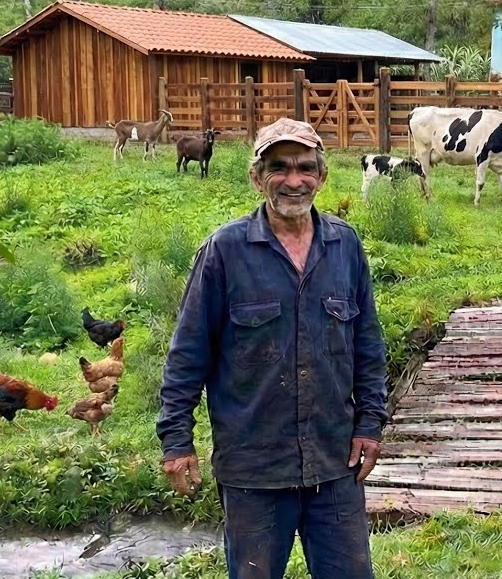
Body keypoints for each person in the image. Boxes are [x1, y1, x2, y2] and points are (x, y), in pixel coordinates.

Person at [157, 117, 388, 579]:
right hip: (254, 468)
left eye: (305, 168)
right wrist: (176, 442)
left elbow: (367, 346)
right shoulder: (225, 251)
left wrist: (370, 424)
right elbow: (187, 355)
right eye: (278, 167)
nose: (293, 180)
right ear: (256, 176)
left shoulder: (345, 245)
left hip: (334, 460)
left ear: (322, 176)